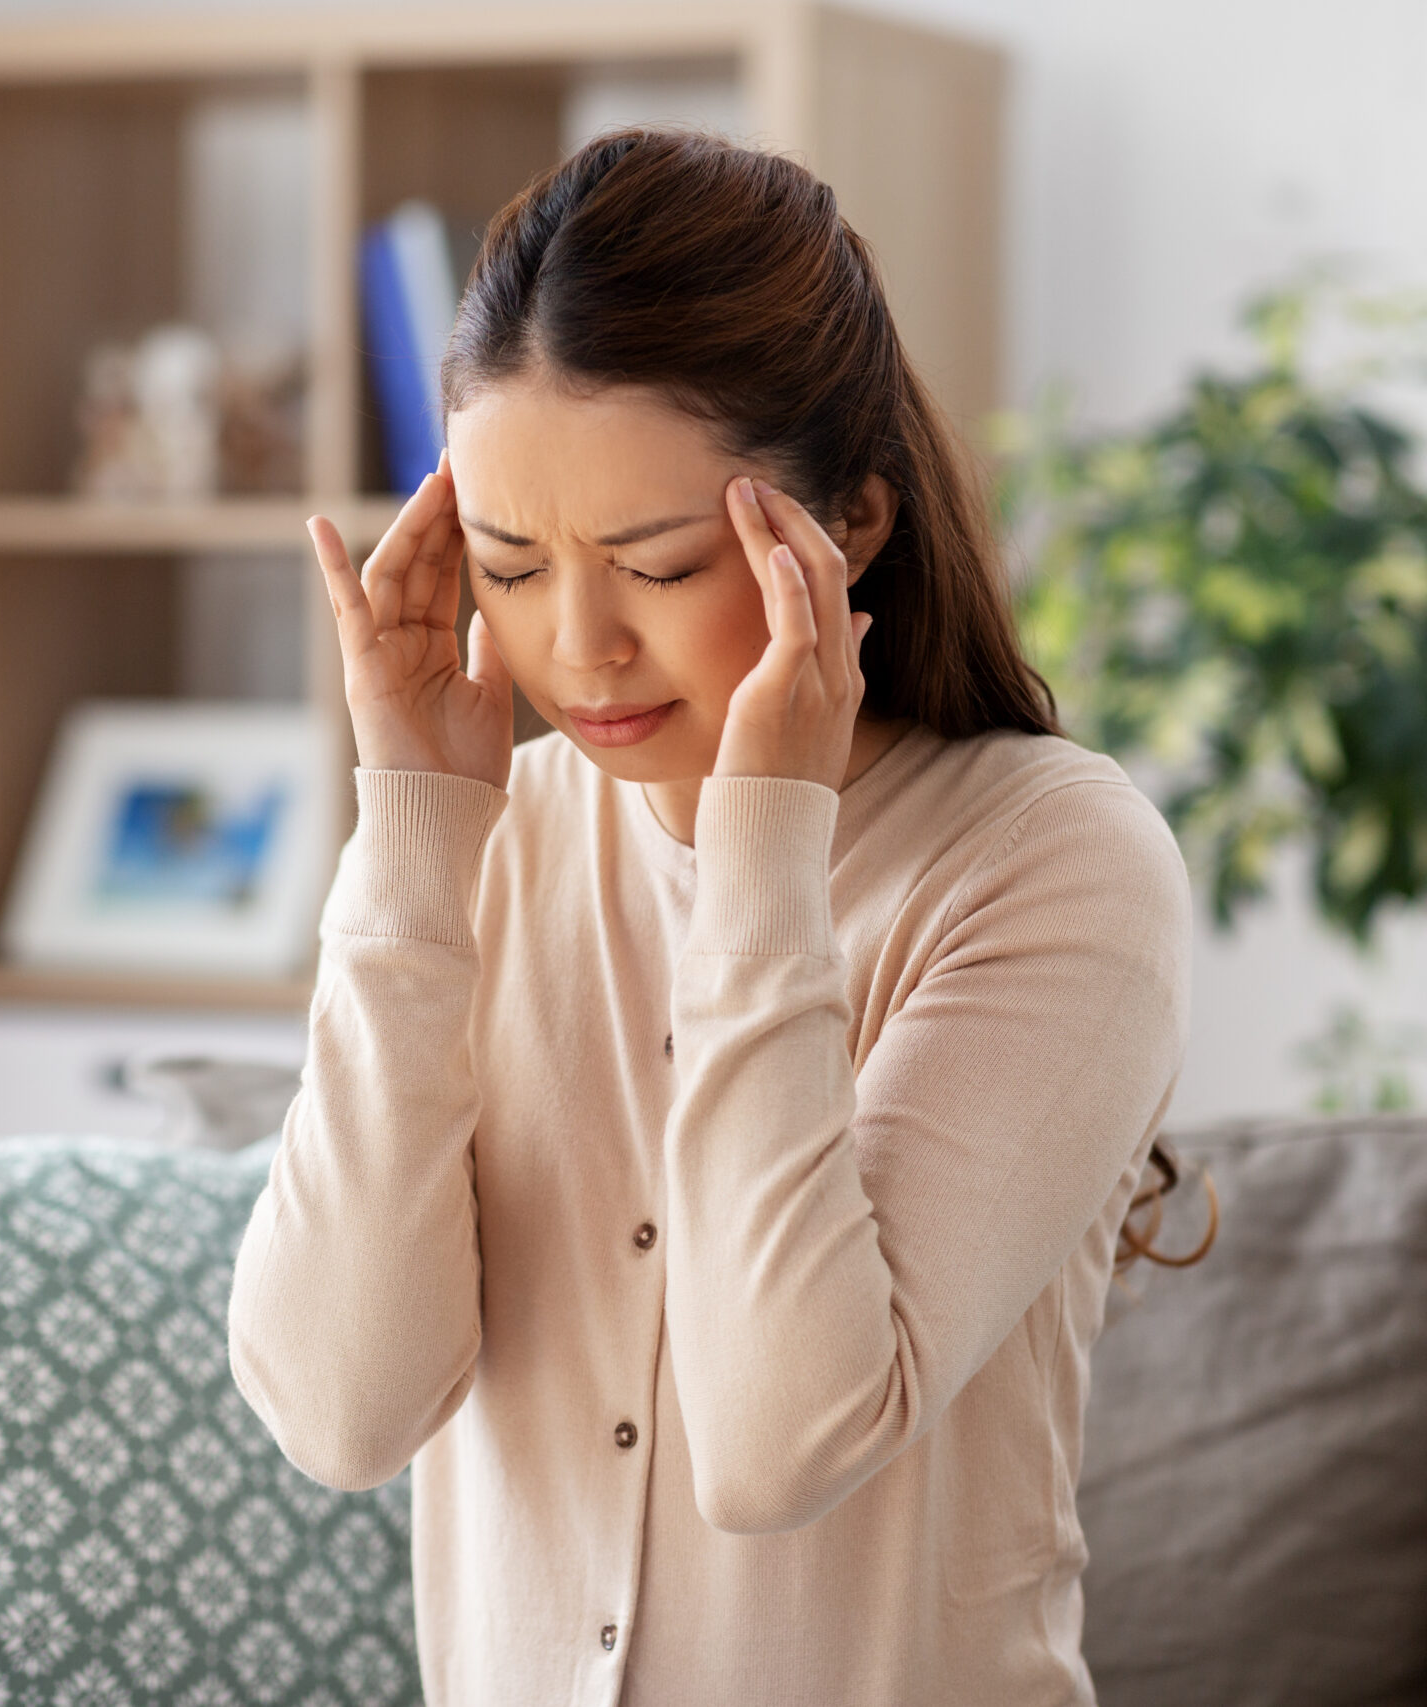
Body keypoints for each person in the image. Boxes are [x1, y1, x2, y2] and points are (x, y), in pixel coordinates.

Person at [227, 127, 1206, 1706]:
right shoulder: (493, 842)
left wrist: (763, 855)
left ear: (855, 525)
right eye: (511, 565)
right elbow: (341, 1413)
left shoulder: (1054, 863)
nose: (581, 647)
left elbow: (778, 1441)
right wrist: (411, 832)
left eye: (658, 564)